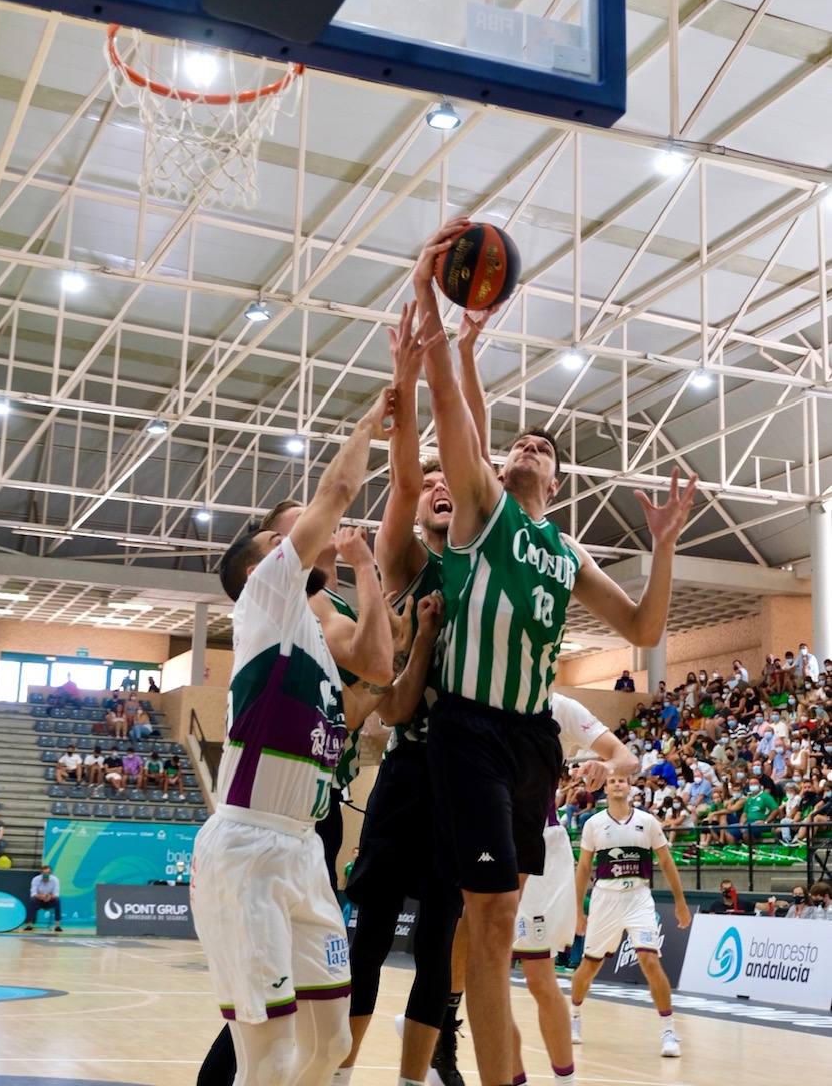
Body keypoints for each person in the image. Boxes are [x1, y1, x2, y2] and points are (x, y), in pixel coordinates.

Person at [413, 218, 696, 1086]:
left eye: (547, 448)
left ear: (559, 482)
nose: (533, 445)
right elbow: (457, 409)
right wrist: (444, 323)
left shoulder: (566, 551)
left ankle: (461, 1048)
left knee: (498, 930)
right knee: (490, 917)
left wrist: (662, 545)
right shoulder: (480, 511)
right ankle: (472, 1065)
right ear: (499, 469)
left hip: (530, 738)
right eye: (521, 442)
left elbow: (646, 633)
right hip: (465, 724)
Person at [191, 389, 395, 1086]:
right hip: (247, 847)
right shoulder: (265, 601)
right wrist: (372, 419)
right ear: (259, 569)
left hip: (305, 852)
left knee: (330, 1043)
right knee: (269, 1056)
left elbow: (379, 667)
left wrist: (368, 575)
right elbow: (337, 489)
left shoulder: (314, 633)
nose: (297, 538)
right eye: (278, 540)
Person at [337, 300, 491, 1086]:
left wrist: (462, 359)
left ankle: (413, 1078)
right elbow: (402, 476)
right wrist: (407, 380)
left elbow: (476, 455)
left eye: (447, 478)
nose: (438, 483)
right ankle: (338, 1069)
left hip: (465, 775)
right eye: (429, 480)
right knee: (367, 937)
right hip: (407, 761)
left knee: (439, 939)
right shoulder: (404, 563)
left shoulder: (481, 547)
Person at [511, 695, 638, 1086]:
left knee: (538, 976)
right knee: (484, 976)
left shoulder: (558, 706)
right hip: (482, 836)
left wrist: (607, 765)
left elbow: (627, 758)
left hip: (539, 847)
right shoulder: (478, 691)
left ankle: (564, 1080)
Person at [570, 775, 691, 1059]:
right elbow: (584, 868)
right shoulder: (593, 824)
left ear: (630, 787)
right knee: (590, 966)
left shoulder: (647, 822)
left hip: (638, 897)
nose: (617, 784)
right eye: (611, 780)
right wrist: (578, 910)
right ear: (605, 788)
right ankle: (574, 1015)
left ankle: (668, 1030)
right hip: (605, 901)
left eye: (622, 780)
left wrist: (680, 901)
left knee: (649, 960)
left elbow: (666, 861)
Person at [24, 865, 62, 931]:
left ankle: (57, 926)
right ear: (41, 873)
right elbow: (33, 893)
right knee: (32, 900)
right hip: (39, 900)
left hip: (50, 900)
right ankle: (29, 925)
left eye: (48, 873)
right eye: (44, 873)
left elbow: (56, 894)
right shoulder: (35, 879)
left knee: (57, 900)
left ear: (51, 873)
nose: (46, 875)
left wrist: (49, 897)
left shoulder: (55, 880)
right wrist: (41, 896)